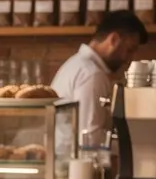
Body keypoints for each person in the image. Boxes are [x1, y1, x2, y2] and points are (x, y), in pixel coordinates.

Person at [51, 10, 148, 148]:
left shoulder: (75, 64)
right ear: (113, 39)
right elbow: (90, 139)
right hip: (73, 165)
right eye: (129, 50)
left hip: (64, 160)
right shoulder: (92, 75)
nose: (129, 59)